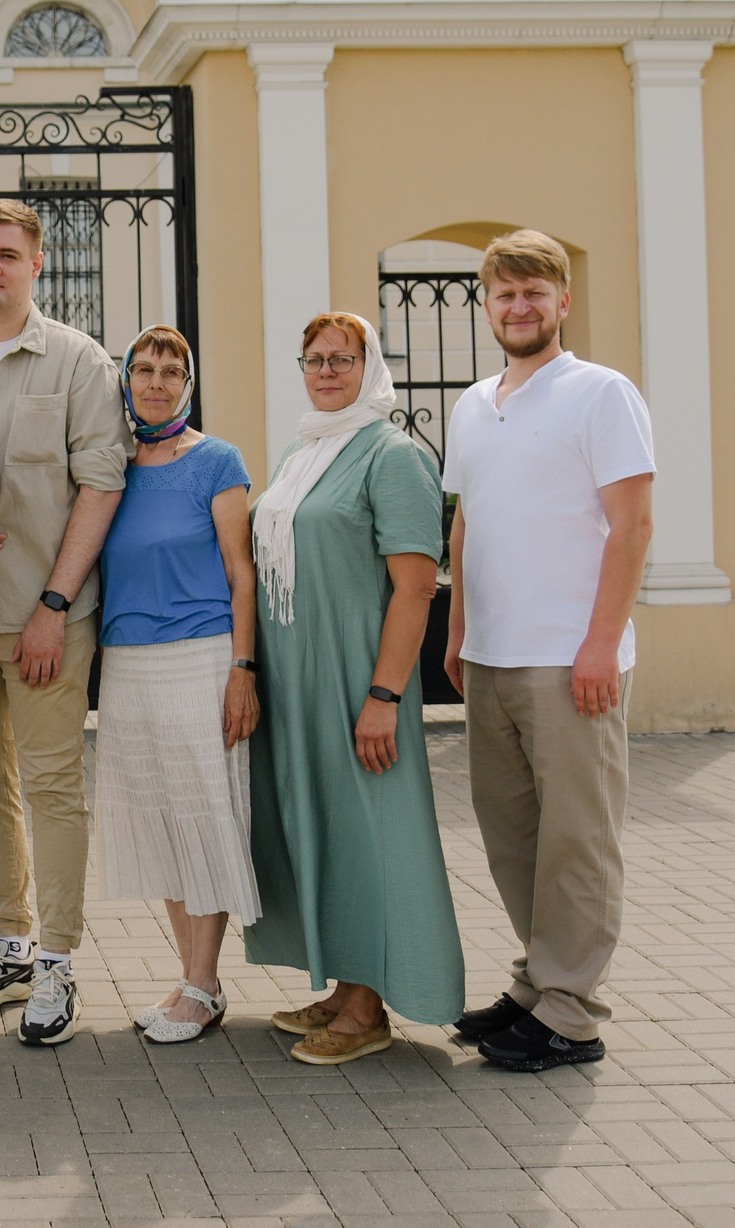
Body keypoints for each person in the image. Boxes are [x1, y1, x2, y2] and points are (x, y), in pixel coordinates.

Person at [441, 229, 655, 1073]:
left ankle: (571, 1013)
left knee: (579, 837)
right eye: (505, 293)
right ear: (486, 305)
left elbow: (633, 524)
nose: (519, 306)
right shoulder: (472, 402)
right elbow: (466, 520)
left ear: (563, 302)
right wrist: (458, 632)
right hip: (493, 653)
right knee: (515, 836)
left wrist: (601, 643)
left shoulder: (601, 394)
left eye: (536, 292)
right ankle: (537, 982)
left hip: (573, 658)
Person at [0, 198, 127, 1046]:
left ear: (36, 264)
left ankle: (58, 961)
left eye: (8, 253)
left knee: (51, 787)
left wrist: (53, 604)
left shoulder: (79, 361)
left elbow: (102, 484)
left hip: (44, 617)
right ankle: (7, 946)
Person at [243, 313, 464, 1064]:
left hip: (354, 680)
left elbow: (414, 589)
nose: (327, 371)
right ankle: (344, 986)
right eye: (315, 359)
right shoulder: (303, 451)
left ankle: (371, 1008)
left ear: (371, 368)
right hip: (295, 678)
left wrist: (386, 697)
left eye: (344, 359)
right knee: (324, 827)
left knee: (371, 833)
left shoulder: (392, 455)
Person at [90, 326, 260, 1048]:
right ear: (126, 379)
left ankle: (202, 983)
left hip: (201, 657)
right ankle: (195, 981)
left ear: (186, 384)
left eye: (171, 372)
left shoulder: (217, 460)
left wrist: (243, 671)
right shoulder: (111, 466)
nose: (156, 382)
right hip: (126, 664)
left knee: (201, 815)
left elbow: (241, 570)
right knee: (160, 819)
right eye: (145, 370)